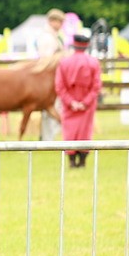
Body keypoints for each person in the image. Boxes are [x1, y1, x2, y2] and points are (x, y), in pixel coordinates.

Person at [55, 32, 102, 168]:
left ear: (74, 45)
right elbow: (96, 86)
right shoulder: (93, 62)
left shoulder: (64, 63)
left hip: (69, 103)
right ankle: (82, 161)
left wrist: (71, 102)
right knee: (85, 131)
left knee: (69, 131)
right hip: (87, 104)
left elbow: (60, 86)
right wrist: (85, 102)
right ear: (86, 45)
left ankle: (71, 161)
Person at [36, 9, 66, 141]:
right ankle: (47, 138)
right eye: (59, 21)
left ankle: (49, 137)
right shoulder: (47, 37)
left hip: (54, 77)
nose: (60, 25)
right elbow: (47, 59)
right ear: (52, 21)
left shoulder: (54, 36)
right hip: (48, 77)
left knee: (53, 107)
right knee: (49, 107)